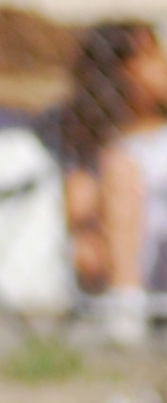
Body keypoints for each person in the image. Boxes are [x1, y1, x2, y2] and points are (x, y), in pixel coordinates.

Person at [60, 23, 167, 345]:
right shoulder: (99, 140)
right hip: (131, 249)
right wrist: (87, 232)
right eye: (150, 58)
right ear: (121, 70)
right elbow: (78, 207)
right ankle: (127, 301)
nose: (163, 66)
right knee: (119, 167)